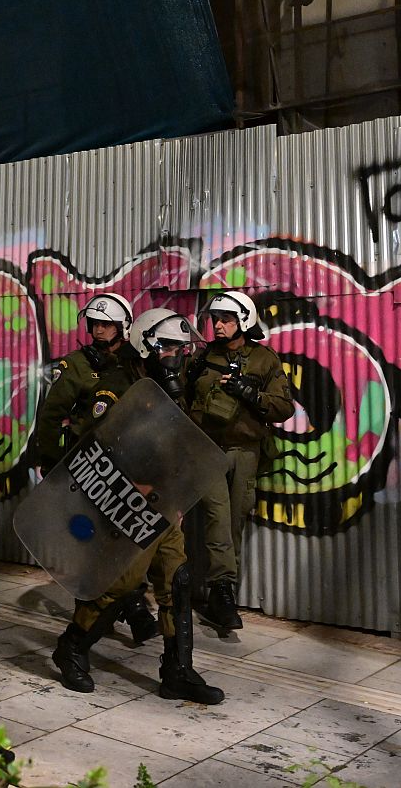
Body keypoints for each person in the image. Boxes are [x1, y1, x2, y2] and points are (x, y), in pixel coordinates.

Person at [47, 306, 224, 703]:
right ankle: (71, 647)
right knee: (120, 585)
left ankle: (177, 671)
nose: (175, 357)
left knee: (176, 580)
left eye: (179, 349)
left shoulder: (167, 388)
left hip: (163, 502)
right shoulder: (117, 384)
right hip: (126, 503)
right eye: (168, 348)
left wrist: (177, 495)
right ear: (146, 346)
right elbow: (98, 442)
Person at [28, 293, 159, 645]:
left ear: (123, 327)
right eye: (95, 324)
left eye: (107, 325)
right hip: (90, 465)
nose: (99, 331)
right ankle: (99, 616)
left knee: (129, 540)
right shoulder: (76, 366)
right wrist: (51, 462)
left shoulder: (137, 361)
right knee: (94, 545)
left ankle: (131, 606)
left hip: (130, 465)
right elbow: (52, 415)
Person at [184, 291, 294, 632]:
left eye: (226, 320)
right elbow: (183, 400)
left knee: (234, 522)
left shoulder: (263, 359)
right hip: (208, 450)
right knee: (217, 518)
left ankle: (223, 594)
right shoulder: (202, 358)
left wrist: (251, 394)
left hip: (245, 451)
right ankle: (222, 590)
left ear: (243, 321)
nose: (218, 325)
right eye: (215, 320)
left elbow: (284, 407)